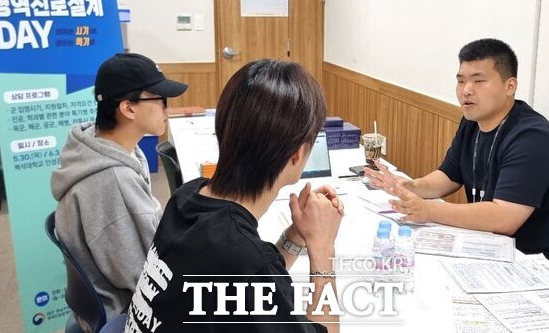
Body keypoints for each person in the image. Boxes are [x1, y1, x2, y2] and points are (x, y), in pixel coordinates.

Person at [125, 60, 343, 333]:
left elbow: (246, 277)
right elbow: (248, 270)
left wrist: (296, 236)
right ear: (297, 154)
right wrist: (323, 249)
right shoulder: (243, 260)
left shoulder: (188, 195)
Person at [366, 38, 549, 279]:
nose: (466, 90)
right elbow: (448, 176)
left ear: (510, 86)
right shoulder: (472, 122)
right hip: (490, 249)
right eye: (461, 81)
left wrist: (428, 210)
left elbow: (505, 218)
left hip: (539, 266)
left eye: (478, 81)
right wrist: (409, 186)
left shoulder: (532, 137)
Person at [51, 53, 188, 326]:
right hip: (129, 310)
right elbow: (147, 279)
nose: (167, 109)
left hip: (119, 292)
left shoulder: (100, 145)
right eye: (160, 101)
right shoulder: (112, 181)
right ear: (128, 108)